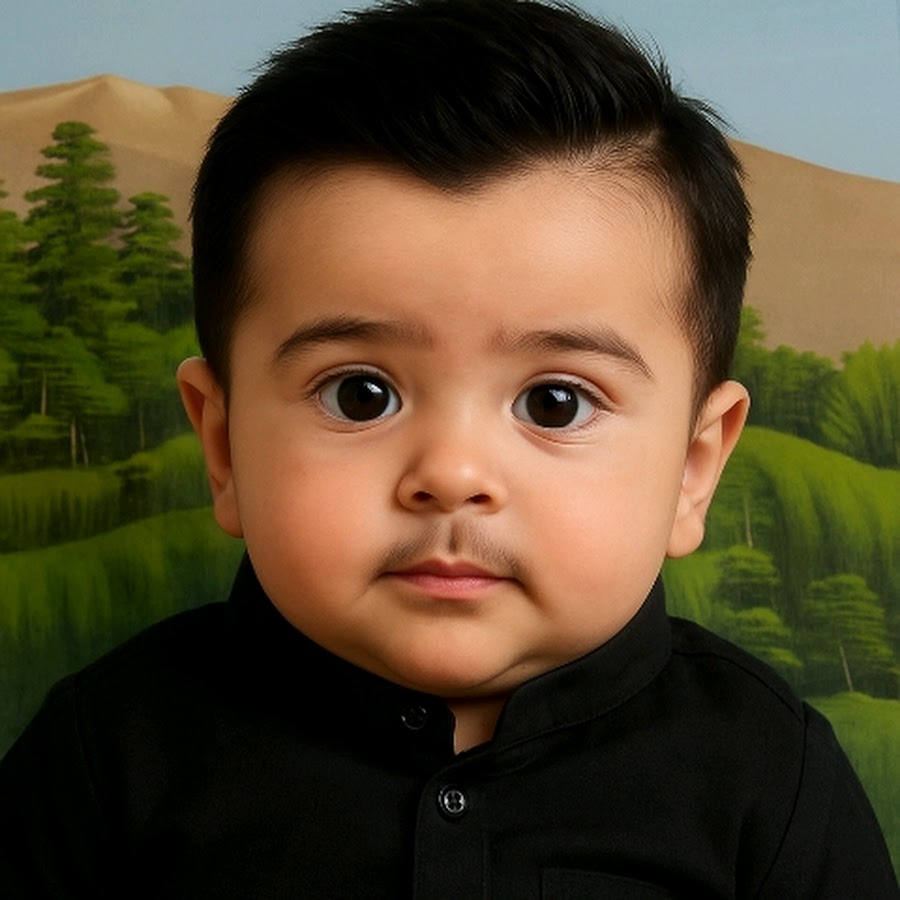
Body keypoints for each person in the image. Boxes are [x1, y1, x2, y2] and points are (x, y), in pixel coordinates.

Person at [1, 0, 896, 896]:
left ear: (693, 471)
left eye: (554, 403)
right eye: (360, 395)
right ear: (223, 444)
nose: (453, 475)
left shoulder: (769, 777)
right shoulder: (104, 760)